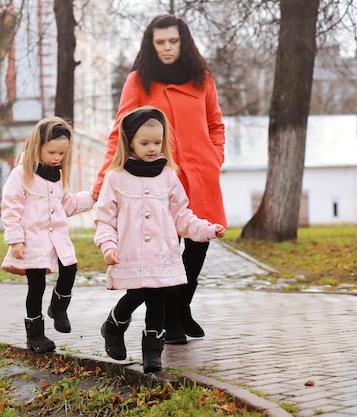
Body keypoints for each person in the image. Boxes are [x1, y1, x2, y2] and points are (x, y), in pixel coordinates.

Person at [92, 14, 227, 345]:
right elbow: (120, 131)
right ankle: (171, 320)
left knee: (197, 247)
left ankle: (181, 308)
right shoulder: (139, 80)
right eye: (160, 42)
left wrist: (215, 158)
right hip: (156, 177)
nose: (168, 48)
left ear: (184, 42)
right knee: (168, 250)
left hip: (200, 175)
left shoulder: (202, 78)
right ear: (151, 45)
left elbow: (216, 125)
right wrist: (104, 178)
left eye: (173, 41)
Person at [94, 106, 226, 373]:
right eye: (144, 143)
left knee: (158, 300)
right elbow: (105, 218)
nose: (152, 148)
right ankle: (114, 324)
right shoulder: (116, 177)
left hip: (163, 255)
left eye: (157, 142)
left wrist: (206, 230)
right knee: (137, 294)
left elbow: (182, 215)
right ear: (129, 141)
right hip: (130, 253)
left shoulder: (168, 176)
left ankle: (152, 352)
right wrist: (108, 245)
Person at [1, 116, 95, 353]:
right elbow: (10, 207)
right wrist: (15, 239)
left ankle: (58, 307)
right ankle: (35, 334)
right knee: (36, 285)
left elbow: (68, 204)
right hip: (32, 240)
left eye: (62, 154)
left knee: (70, 268)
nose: (57, 158)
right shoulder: (21, 174)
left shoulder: (57, 176)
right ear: (37, 147)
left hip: (57, 239)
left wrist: (92, 197)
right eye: (52, 152)